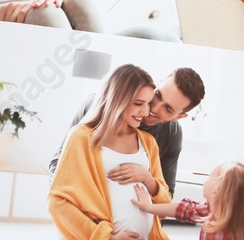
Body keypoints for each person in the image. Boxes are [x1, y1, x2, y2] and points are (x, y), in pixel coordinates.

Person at [38, 64, 196, 240]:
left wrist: (147, 179)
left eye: (164, 108)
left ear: (179, 115)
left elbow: (165, 197)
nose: (149, 111)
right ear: (118, 99)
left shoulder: (150, 142)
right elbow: (58, 199)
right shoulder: (82, 136)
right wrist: (104, 238)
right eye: (141, 103)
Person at [48, 68, 205, 187]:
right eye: (157, 95)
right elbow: (58, 164)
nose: (154, 108)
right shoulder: (95, 106)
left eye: (168, 109)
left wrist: (146, 177)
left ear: (179, 117)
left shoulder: (171, 134)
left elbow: (166, 194)